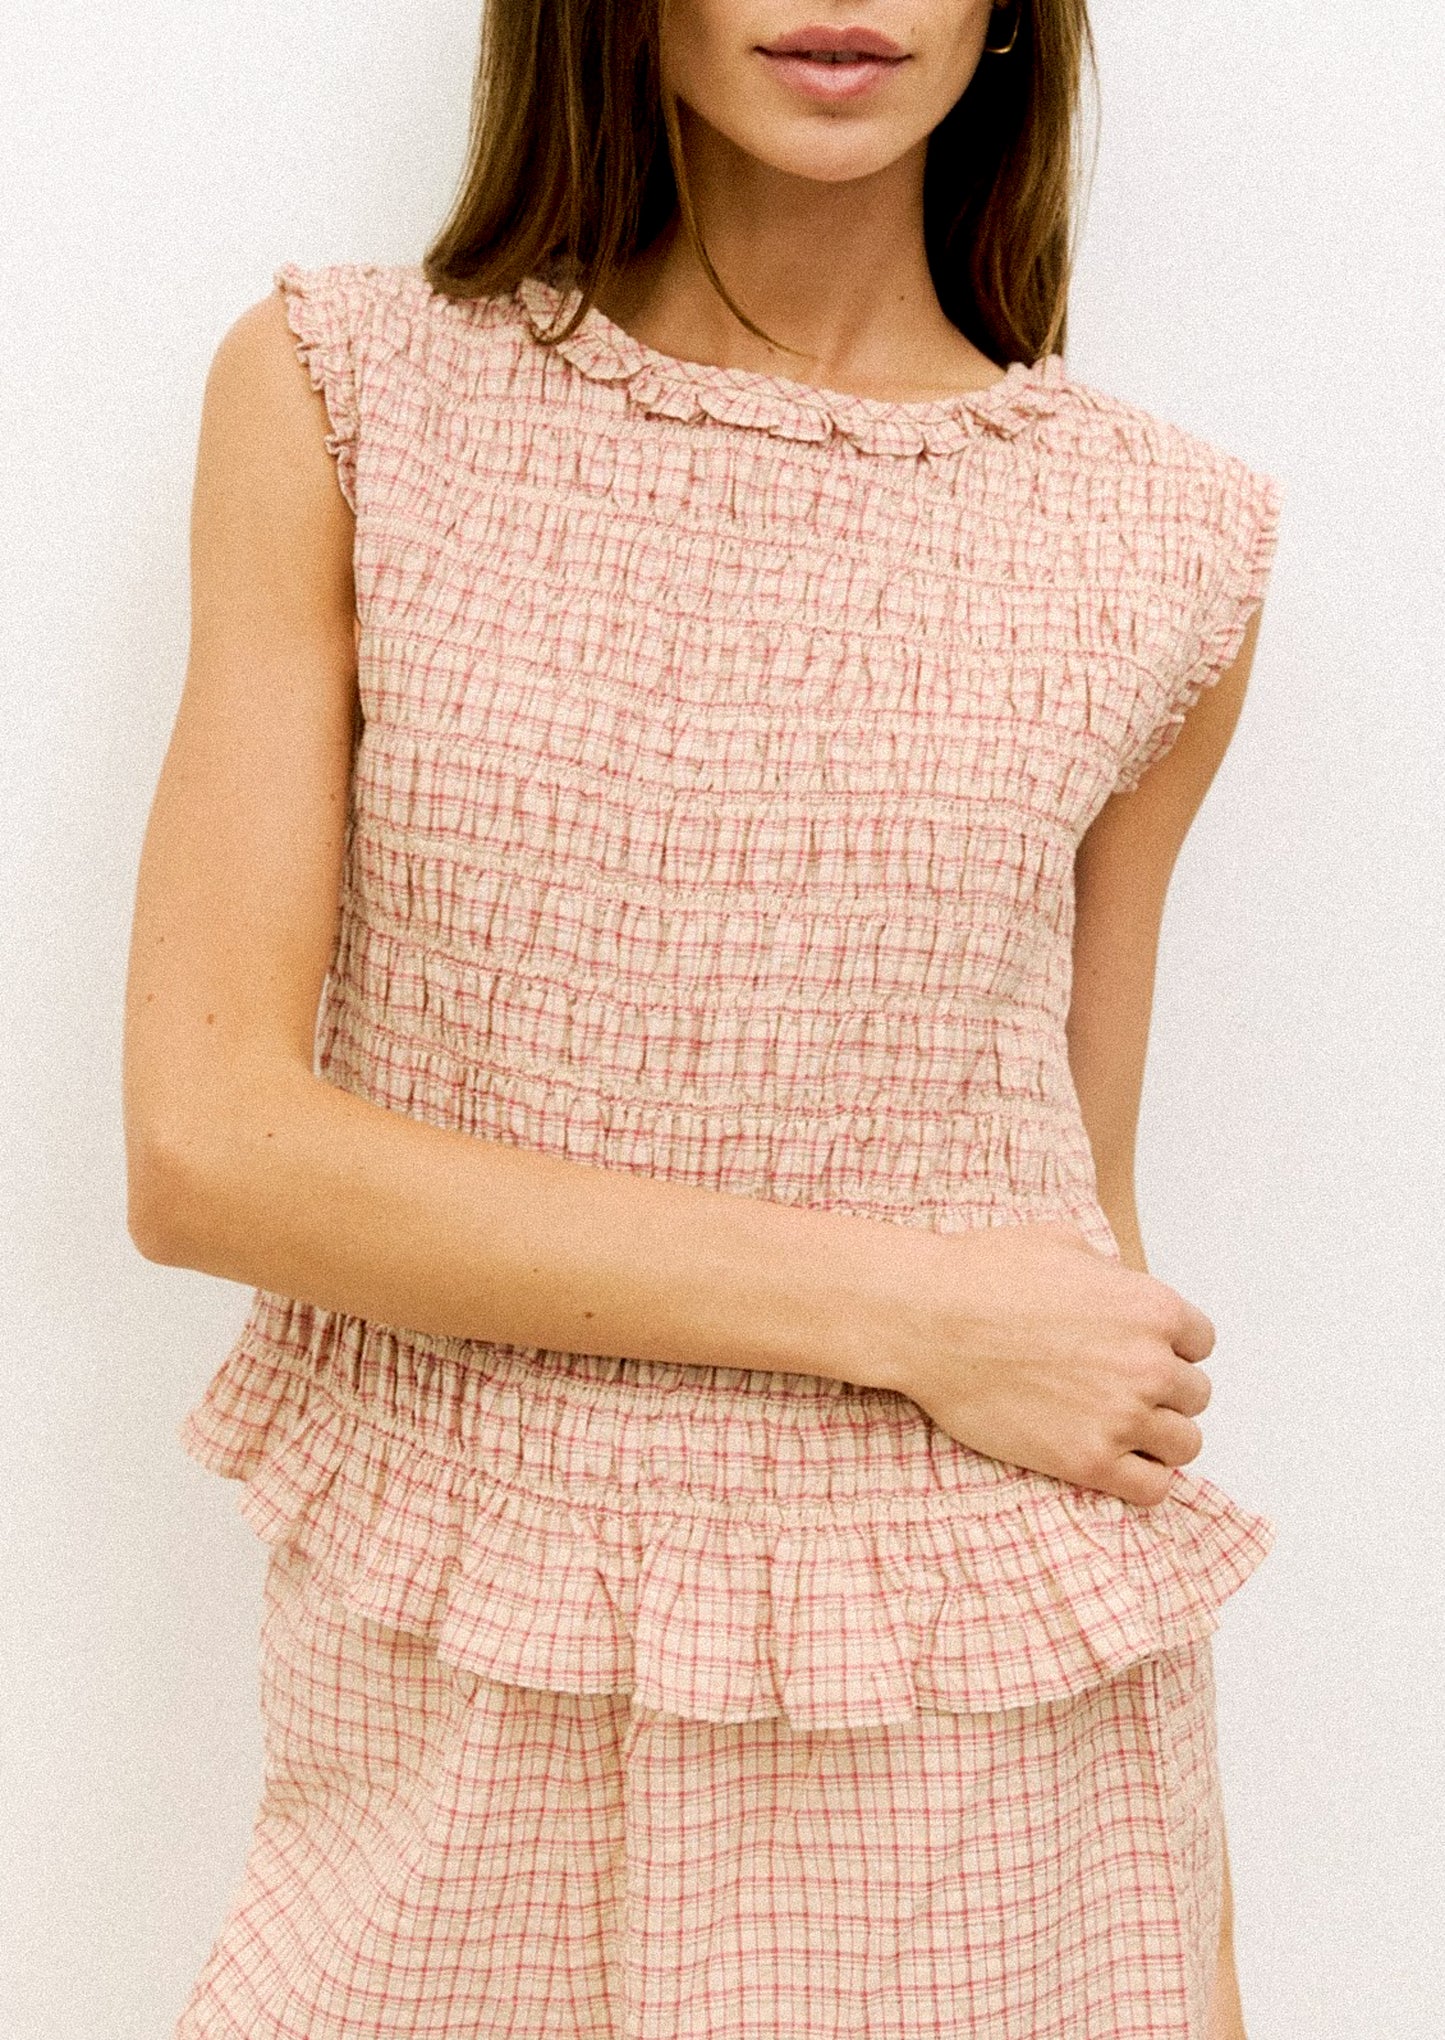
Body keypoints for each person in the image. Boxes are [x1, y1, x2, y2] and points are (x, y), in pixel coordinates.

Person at [124, 1, 1282, 2034]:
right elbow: (209, 1146)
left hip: (975, 1784)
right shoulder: (347, 394)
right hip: (467, 1729)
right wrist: (905, 1316)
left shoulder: (1166, 542)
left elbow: (1066, 1248)